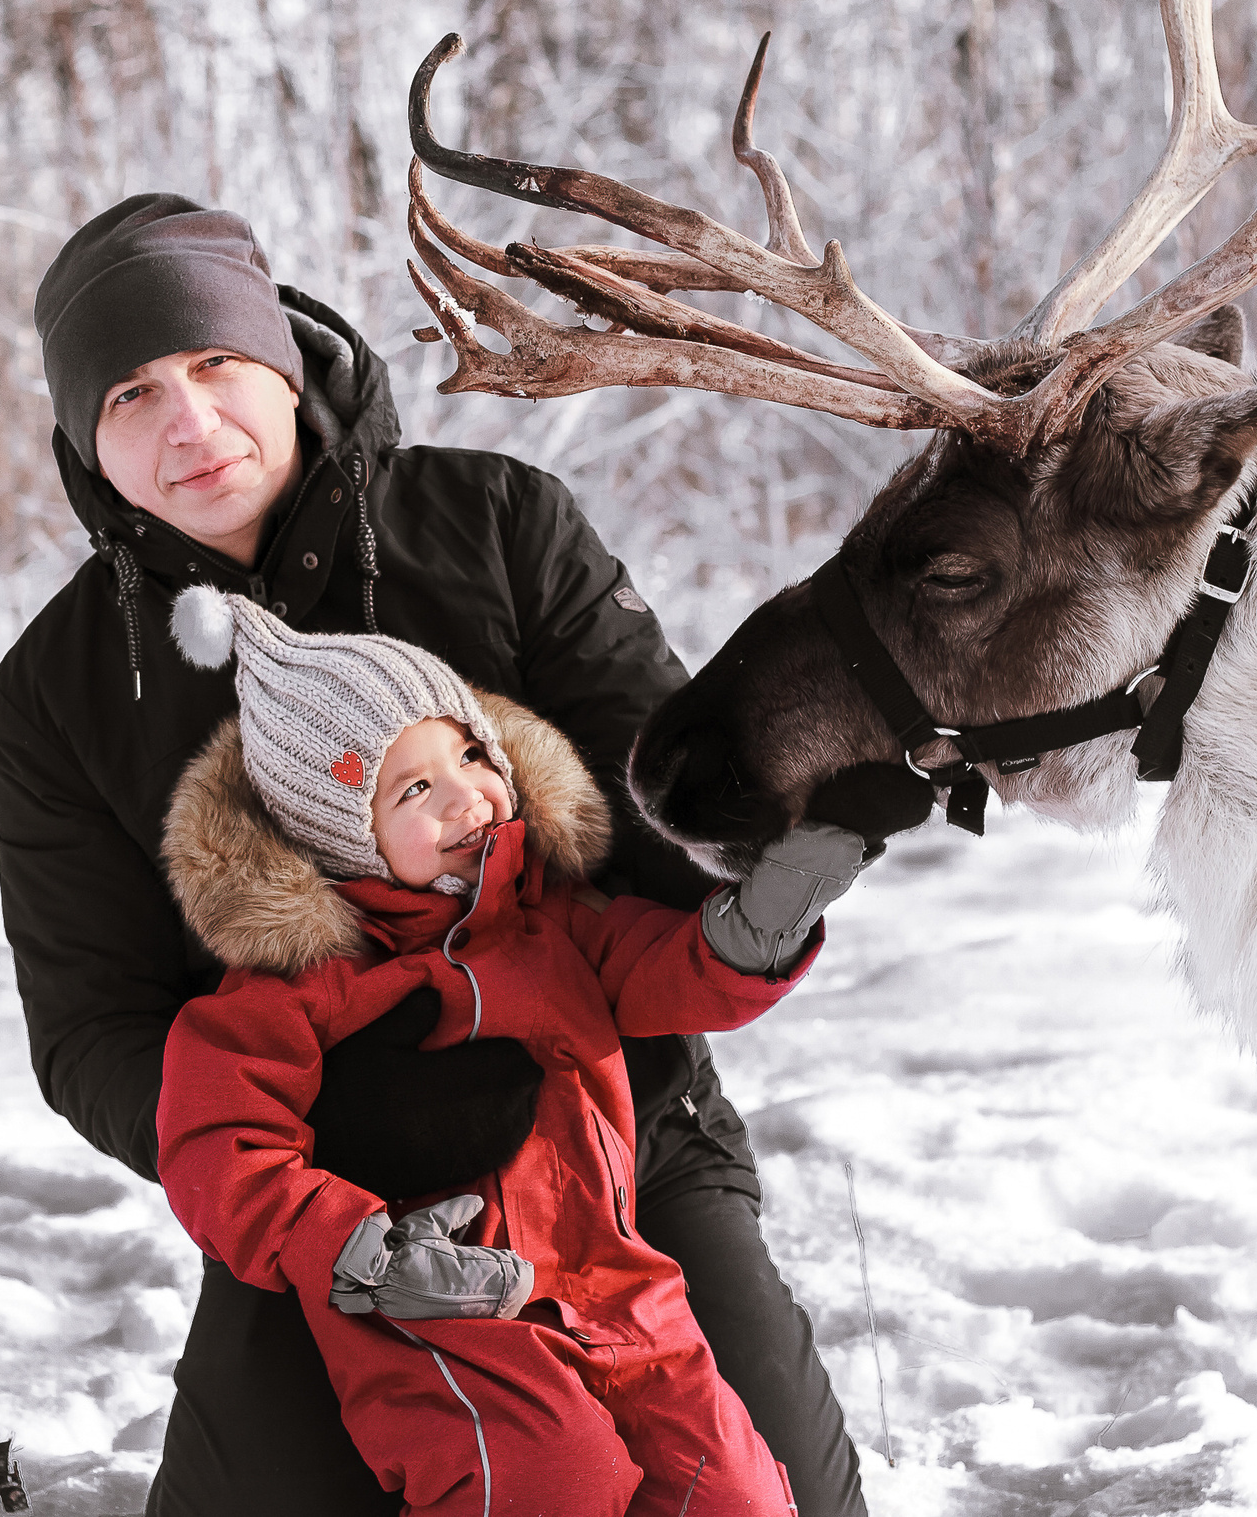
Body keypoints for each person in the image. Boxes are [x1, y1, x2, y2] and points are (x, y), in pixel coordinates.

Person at [0, 194, 914, 1516]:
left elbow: (662, 823)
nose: (187, 421)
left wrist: (759, 861)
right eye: (130, 392)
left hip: (617, 1138)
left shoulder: (497, 524)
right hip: (329, 1205)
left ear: (285, 360)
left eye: (213, 364)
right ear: (85, 439)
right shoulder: (55, 691)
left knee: (773, 1495)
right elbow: (92, 1029)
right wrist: (305, 1201)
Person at [153, 587, 886, 1513]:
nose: (467, 795)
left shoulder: (550, 919)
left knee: (732, 1486)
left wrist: (756, 930)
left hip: (615, 1281)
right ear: (336, 834)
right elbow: (217, 1144)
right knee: (550, 1477)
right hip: (437, 1309)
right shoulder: (294, 985)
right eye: (413, 788)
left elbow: (666, 973)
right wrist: (355, 1245)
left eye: (468, 754)